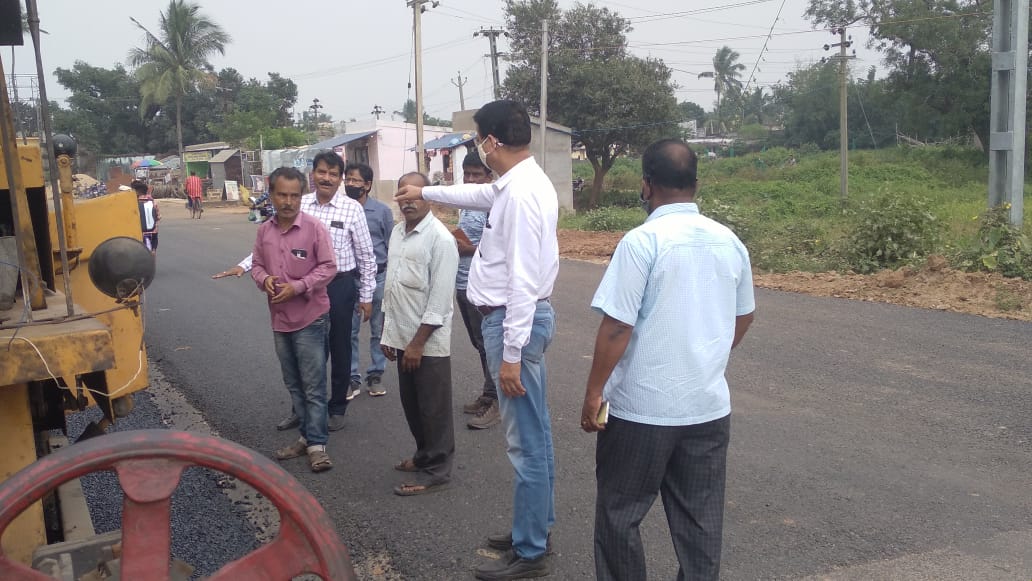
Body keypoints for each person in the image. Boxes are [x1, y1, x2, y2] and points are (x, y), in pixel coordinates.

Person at [395, 100, 559, 581]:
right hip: (512, 321)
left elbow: (526, 282)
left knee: (525, 444)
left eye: (476, 142)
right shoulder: (517, 184)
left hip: (513, 322)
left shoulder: (523, 193)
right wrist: (428, 192)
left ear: (489, 142)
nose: (477, 150)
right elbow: (479, 198)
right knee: (538, 438)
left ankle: (530, 554)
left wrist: (509, 357)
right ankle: (534, 528)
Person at [579, 139, 755, 581]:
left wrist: (594, 392)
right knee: (700, 523)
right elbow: (745, 314)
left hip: (642, 410)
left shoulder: (642, 242)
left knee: (620, 515)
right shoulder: (729, 241)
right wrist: (708, 352)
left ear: (645, 186)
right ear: (696, 184)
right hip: (707, 407)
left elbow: (617, 327)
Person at [212, 152, 377, 433]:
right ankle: (300, 410)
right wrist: (244, 266)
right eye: (322, 171)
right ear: (312, 174)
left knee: (339, 349)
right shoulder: (299, 203)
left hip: (339, 286)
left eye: (333, 174)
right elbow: (274, 243)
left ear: (340, 179)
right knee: (306, 354)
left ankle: (336, 407)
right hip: (299, 288)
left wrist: (367, 296)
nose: (327, 178)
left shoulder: (352, 209)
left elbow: (366, 255)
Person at [252, 167, 337, 473]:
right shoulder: (264, 231)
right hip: (280, 320)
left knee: (313, 386)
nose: (288, 201)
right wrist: (266, 281)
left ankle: (317, 445)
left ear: (302, 196)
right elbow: (257, 266)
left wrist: (298, 287)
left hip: (310, 319)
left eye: (294, 195)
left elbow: (329, 267)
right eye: (282, 194)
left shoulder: (314, 228)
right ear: (271, 194)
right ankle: (305, 437)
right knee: (294, 384)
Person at [381, 172, 459, 496]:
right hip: (402, 338)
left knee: (433, 408)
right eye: (402, 195)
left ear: (428, 197)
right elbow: (393, 284)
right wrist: (389, 334)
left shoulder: (441, 239)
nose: (408, 201)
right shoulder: (398, 233)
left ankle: (437, 470)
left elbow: (439, 300)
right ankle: (423, 455)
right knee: (412, 405)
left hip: (427, 343)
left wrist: (416, 344)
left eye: (414, 194)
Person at [454, 151, 500, 430]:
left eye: (476, 174)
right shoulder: (468, 205)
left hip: (483, 285)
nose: (470, 179)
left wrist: (468, 248)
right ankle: (488, 393)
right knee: (480, 344)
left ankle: (497, 402)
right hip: (462, 283)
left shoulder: (494, 205)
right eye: (467, 174)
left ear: (488, 176)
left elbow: (498, 249)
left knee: (491, 344)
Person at [343, 162, 394, 399]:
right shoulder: (342, 209)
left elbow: (391, 244)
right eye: (348, 179)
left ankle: (375, 375)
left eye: (355, 180)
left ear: (367, 185)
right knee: (349, 331)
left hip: (378, 278)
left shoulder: (381, 211)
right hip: (350, 279)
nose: (350, 184)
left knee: (378, 329)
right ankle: (351, 378)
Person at [132, 179, 160, 255]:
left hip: (139, 232)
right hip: (153, 230)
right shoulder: (152, 200)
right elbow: (158, 216)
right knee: (153, 249)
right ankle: (153, 253)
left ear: (137, 192)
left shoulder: (133, 202)